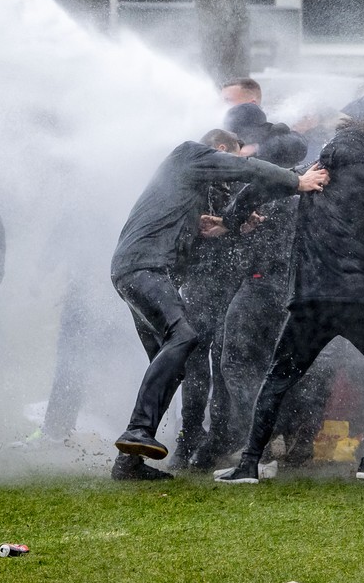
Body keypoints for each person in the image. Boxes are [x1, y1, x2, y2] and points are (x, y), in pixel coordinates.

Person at [108, 129, 328, 481]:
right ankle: (138, 431)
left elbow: (177, 229)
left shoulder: (185, 187)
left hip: (137, 269)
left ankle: (128, 463)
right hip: (144, 268)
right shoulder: (189, 153)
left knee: (173, 362)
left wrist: (221, 223)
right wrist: (296, 182)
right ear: (220, 149)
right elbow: (247, 169)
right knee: (184, 337)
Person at [215, 121, 364, 486]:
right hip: (357, 298)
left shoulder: (311, 174)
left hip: (309, 299)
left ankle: (249, 463)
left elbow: (254, 189)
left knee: (277, 378)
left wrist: (233, 219)